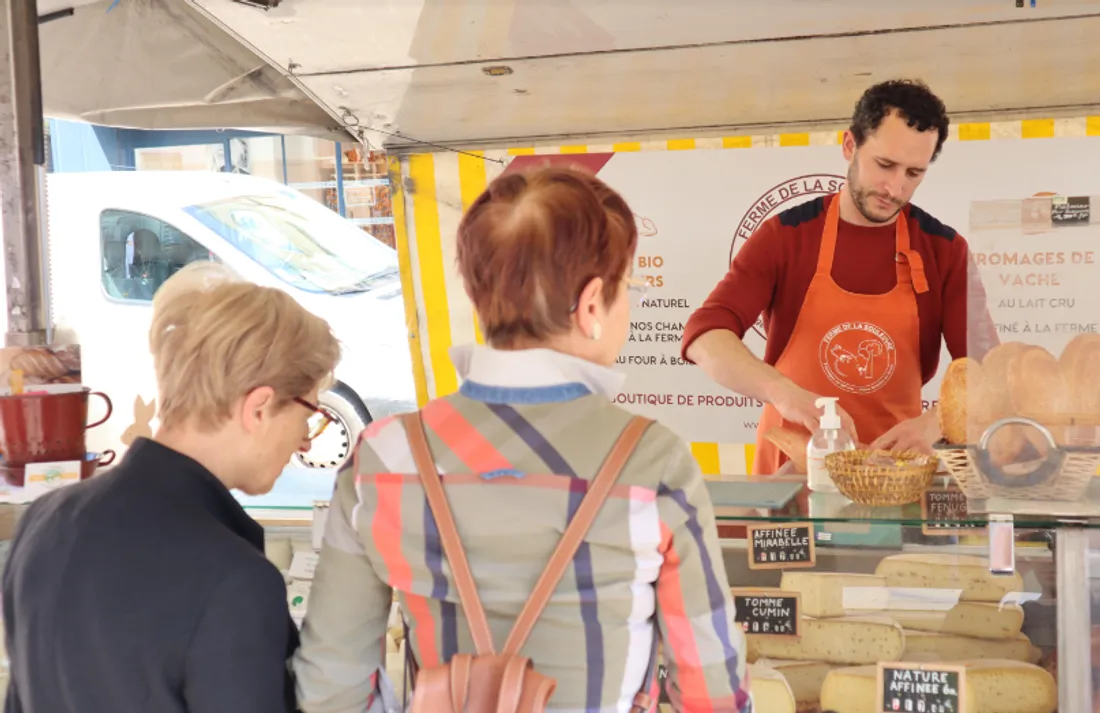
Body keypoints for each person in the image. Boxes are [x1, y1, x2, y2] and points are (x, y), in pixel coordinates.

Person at [293, 167, 750, 713]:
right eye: (627, 286)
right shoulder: (654, 462)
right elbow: (710, 690)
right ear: (591, 305)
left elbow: (331, 684)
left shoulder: (383, 457)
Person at [2, 262, 341, 713]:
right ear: (259, 407)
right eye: (308, 414)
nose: (304, 439)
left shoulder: (43, 521)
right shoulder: (234, 579)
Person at [681, 79, 996, 475]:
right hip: (793, 474)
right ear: (850, 145)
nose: (895, 187)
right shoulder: (787, 236)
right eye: (884, 165)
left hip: (893, 476)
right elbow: (705, 336)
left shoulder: (944, 250)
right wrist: (782, 393)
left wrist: (940, 422)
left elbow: (989, 374)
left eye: (914, 173)